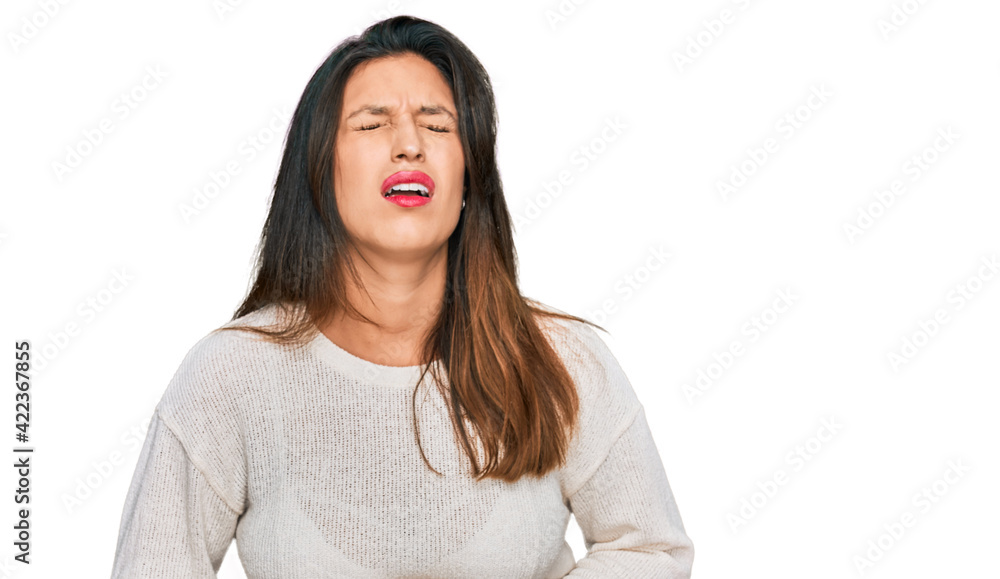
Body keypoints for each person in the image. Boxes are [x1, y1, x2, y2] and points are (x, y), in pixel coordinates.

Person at [110, 15, 694, 578]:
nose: (410, 144)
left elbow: (652, 551)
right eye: (372, 125)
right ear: (320, 169)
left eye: (437, 126)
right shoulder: (229, 374)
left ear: (470, 174)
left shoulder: (563, 359)